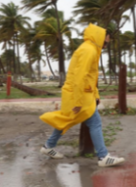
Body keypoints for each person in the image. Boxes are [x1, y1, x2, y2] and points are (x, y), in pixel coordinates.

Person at [39, 23, 125, 167]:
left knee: (66, 120)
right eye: (105, 43)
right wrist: (78, 102)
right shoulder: (89, 51)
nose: (105, 46)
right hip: (77, 95)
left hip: (81, 93)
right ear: (100, 38)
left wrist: (96, 95)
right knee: (94, 123)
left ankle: (48, 147)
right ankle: (103, 157)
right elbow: (79, 77)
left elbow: (91, 77)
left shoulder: (90, 49)